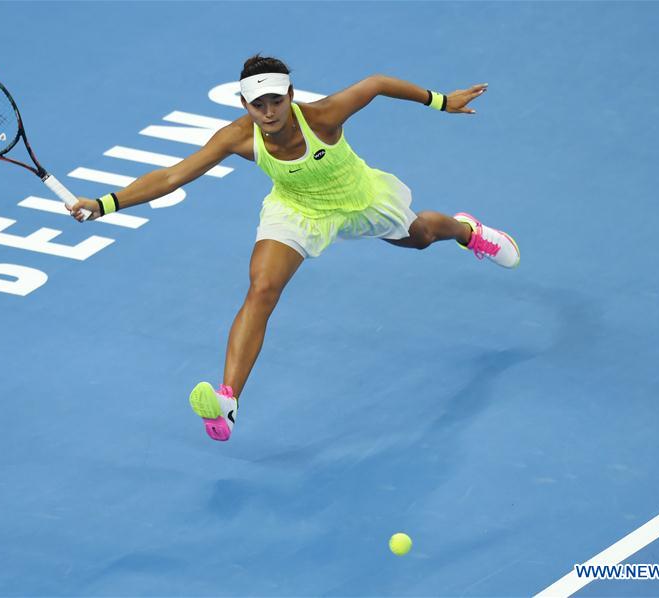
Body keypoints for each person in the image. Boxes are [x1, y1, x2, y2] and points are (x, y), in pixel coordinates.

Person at [69, 55, 519, 442]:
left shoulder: (322, 116)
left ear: (290, 96)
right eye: (257, 104)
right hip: (298, 209)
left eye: (275, 101)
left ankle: (467, 231)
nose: (268, 112)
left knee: (420, 236)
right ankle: (227, 400)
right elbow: (171, 176)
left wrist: (441, 101)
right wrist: (106, 204)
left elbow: (377, 84)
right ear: (244, 104)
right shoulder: (237, 137)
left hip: (359, 198)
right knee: (262, 289)